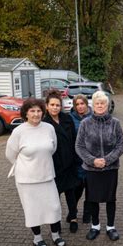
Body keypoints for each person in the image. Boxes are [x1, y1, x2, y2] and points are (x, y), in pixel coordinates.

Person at [5, 98, 66, 246]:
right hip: (27, 180)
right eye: (32, 111)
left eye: (39, 110)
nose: (36, 114)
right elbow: (10, 155)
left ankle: (55, 235)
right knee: (33, 210)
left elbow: (52, 148)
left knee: (53, 207)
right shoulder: (19, 131)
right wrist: (27, 167)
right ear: (25, 113)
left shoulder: (49, 128)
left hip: (47, 175)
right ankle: (37, 238)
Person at [75, 91, 123, 241]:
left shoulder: (115, 123)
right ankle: (95, 226)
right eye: (97, 103)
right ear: (93, 105)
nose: (100, 106)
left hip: (110, 168)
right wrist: (92, 160)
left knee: (110, 198)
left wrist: (107, 159)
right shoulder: (85, 123)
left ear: (107, 105)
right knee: (92, 198)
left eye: (103, 103)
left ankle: (110, 227)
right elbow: (79, 146)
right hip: (91, 169)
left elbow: (121, 145)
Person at [42, 90, 80, 233]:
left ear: (61, 106)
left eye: (57, 105)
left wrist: (76, 160)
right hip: (54, 166)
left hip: (69, 163)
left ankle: (73, 217)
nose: (55, 107)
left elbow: (74, 139)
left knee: (71, 194)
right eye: (52, 105)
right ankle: (55, 223)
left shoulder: (67, 119)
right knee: (54, 198)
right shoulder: (44, 123)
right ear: (47, 106)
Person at [69, 94, 93, 224]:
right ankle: (73, 211)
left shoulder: (93, 117)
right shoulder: (70, 118)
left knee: (90, 189)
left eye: (82, 103)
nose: (80, 107)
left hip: (90, 159)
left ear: (86, 104)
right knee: (76, 189)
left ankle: (87, 213)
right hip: (76, 159)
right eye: (77, 104)